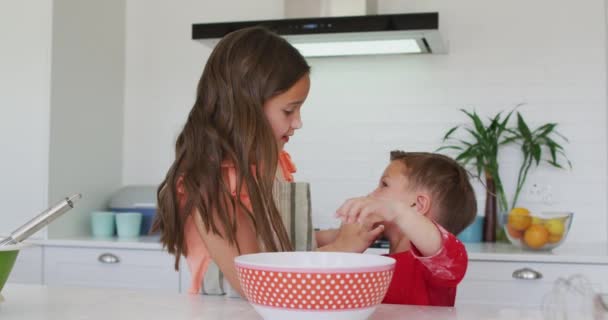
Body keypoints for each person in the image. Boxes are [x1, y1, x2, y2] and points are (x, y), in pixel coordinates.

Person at [152, 26, 383, 297]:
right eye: (289, 110)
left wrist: (340, 235)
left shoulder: (267, 167)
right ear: (245, 107)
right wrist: (339, 250)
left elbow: (280, 243)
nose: (298, 122)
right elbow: (255, 282)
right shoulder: (212, 186)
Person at [334, 151, 477, 306]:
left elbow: (444, 251)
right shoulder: (379, 263)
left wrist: (397, 211)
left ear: (417, 205)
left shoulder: (434, 267)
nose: (371, 194)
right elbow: (317, 242)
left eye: (384, 185)